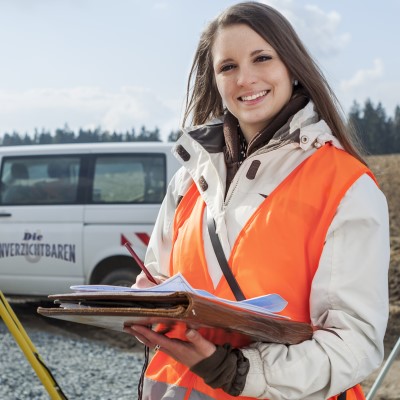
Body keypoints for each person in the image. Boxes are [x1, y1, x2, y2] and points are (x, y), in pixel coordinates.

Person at [124, 2, 390, 399]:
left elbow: (355, 343)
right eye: (227, 66)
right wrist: (146, 304)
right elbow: (160, 281)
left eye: (262, 58)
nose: (245, 78)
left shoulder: (345, 185)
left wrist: (241, 372)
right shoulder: (188, 179)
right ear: (214, 80)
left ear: (292, 67)